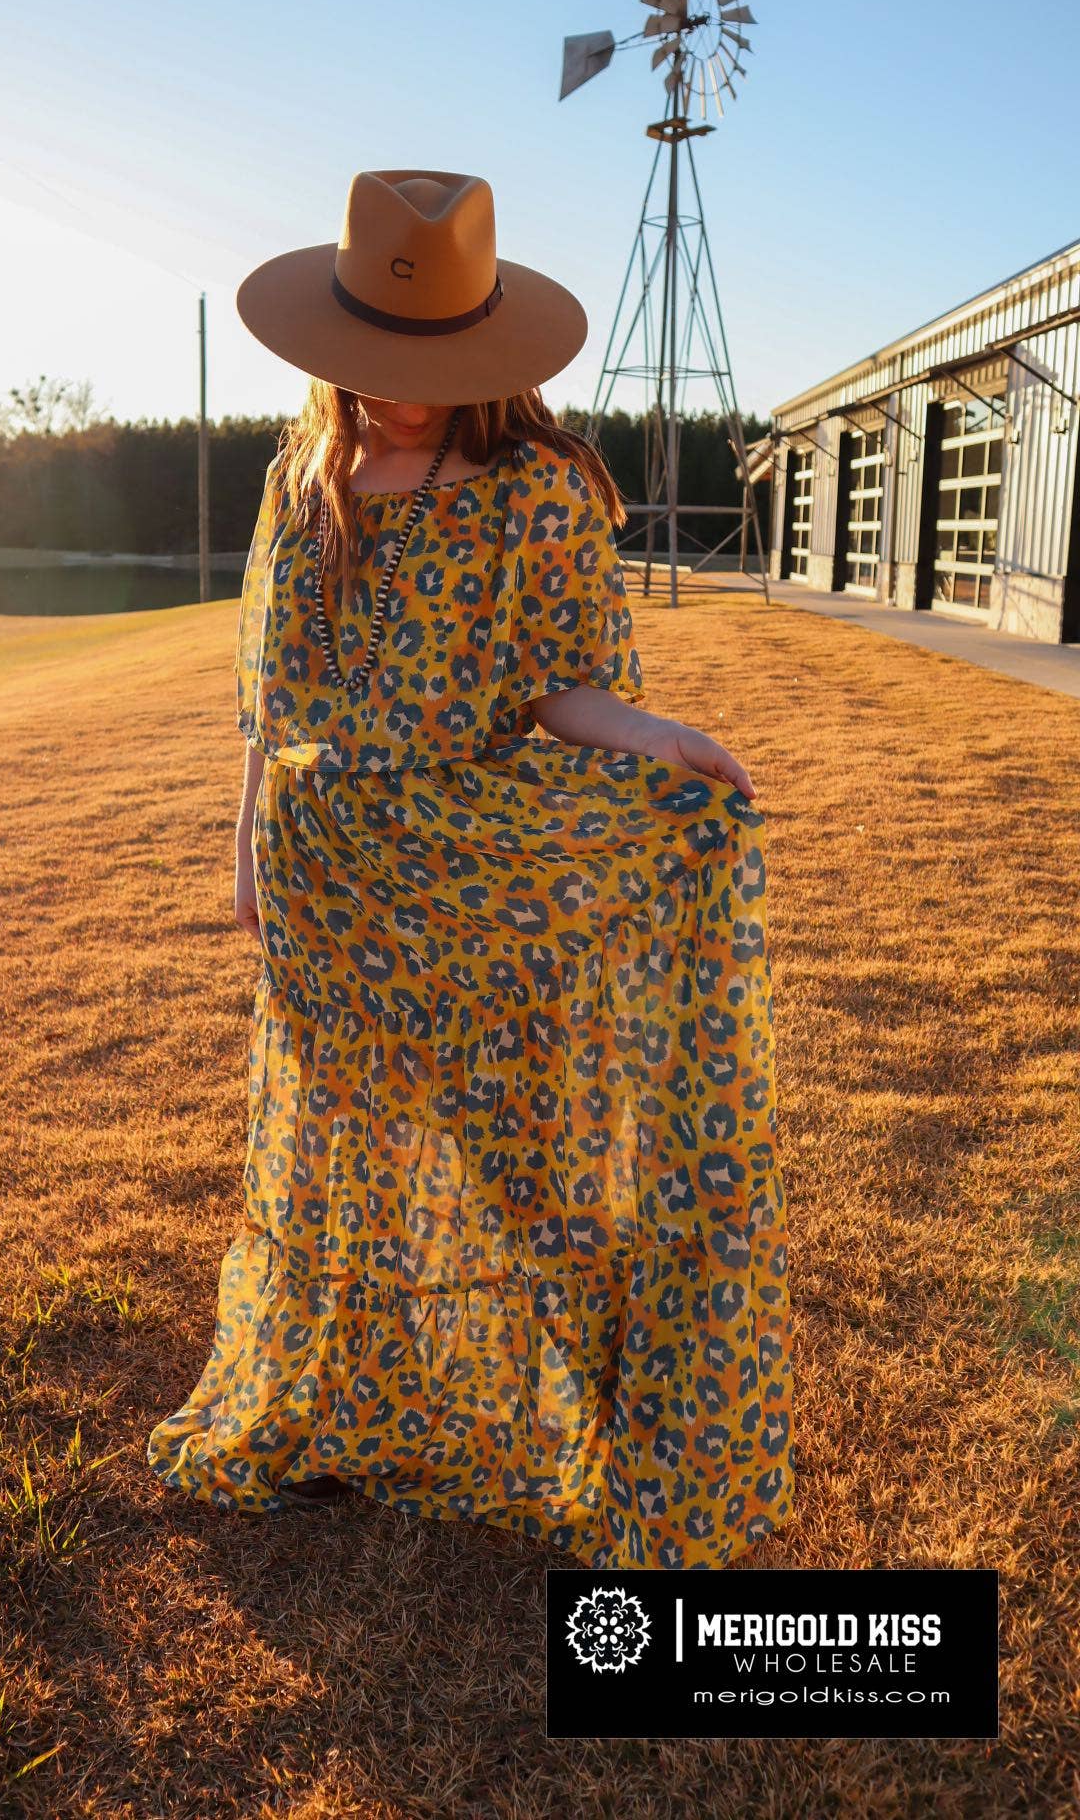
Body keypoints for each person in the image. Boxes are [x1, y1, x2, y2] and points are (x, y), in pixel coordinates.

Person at [146, 169, 795, 1570]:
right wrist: (247, 844)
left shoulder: (538, 493)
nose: (397, 390)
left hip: (479, 859)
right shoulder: (297, 476)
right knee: (339, 1155)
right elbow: (268, 703)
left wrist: (664, 738)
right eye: (378, 361)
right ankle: (327, 1410)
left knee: (529, 1157)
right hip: (330, 874)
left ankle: (613, 1424)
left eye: (430, 361)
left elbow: (566, 689)